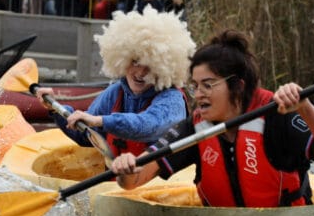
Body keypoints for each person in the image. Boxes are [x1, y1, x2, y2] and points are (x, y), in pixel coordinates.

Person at [111, 30, 314, 207]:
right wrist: (126, 168)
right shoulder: (195, 127)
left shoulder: (277, 115)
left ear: (237, 86)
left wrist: (305, 108)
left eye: (208, 85)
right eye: (195, 86)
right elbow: (133, 181)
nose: (199, 95)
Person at [36, 8, 195, 156]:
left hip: (162, 185)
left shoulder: (172, 100)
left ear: (163, 68)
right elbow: (85, 135)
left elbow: (147, 125)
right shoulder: (115, 92)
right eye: (135, 61)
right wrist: (55, 108)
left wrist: (101, 121)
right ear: (122, 59)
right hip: (116, 183)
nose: (140, 73)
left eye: (150, 67)